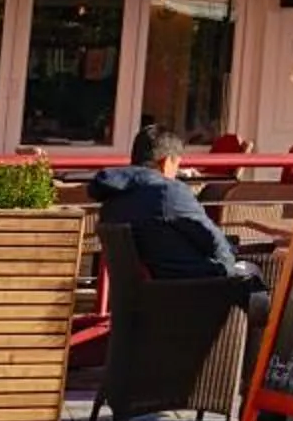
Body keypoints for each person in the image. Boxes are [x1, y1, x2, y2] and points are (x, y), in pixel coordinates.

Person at [90, 125, 266, 304]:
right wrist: (230, 268)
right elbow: (213, 241)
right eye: (177, 165)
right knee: (255, 279)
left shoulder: (111, 198)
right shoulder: (168, 192)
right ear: (166, 162)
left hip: (146, 298)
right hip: (188, 294)